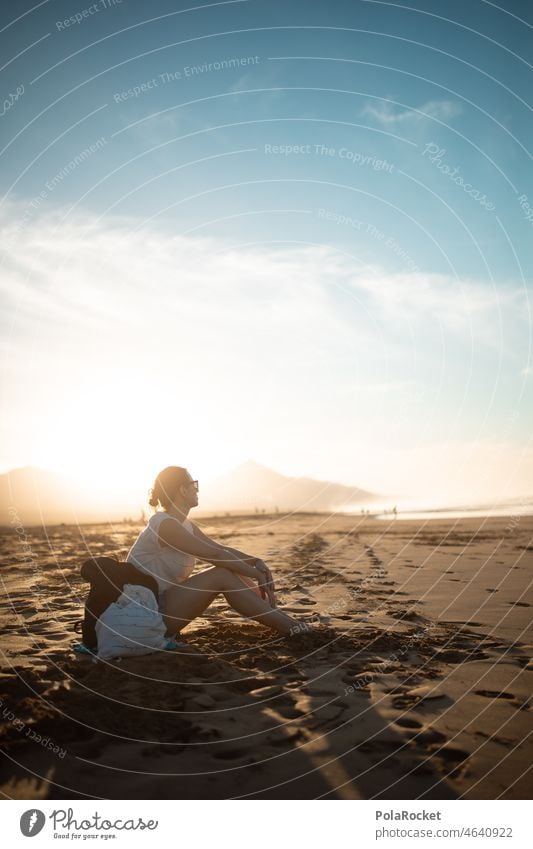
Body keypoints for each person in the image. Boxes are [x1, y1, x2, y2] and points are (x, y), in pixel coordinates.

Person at [126, 466, 311, 639]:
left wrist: (255, 562)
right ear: (183, 490)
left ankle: (283, 619)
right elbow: (215, 556)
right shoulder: (164, 524)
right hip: (143, 613)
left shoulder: (186, 525)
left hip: (164, 603)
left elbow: (222, 550)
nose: (197, 489)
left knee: (230, 569)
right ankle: (288, 626)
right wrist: (256, 575)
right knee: (221, 574)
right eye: (194, 484)